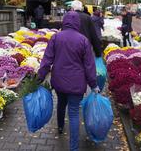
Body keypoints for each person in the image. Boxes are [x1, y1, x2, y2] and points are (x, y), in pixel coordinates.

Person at [38, 11, 99, 151]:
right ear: (77, 23)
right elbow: (89, 66)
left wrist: (39, 77)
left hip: (59, 81)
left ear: (64, 22)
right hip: (77, 83)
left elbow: (47, 61)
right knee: (73, 113)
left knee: (60, 104)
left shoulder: (56, 37)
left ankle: (60, 127)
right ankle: (74, 147)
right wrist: (94, 84)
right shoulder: (83, 40)